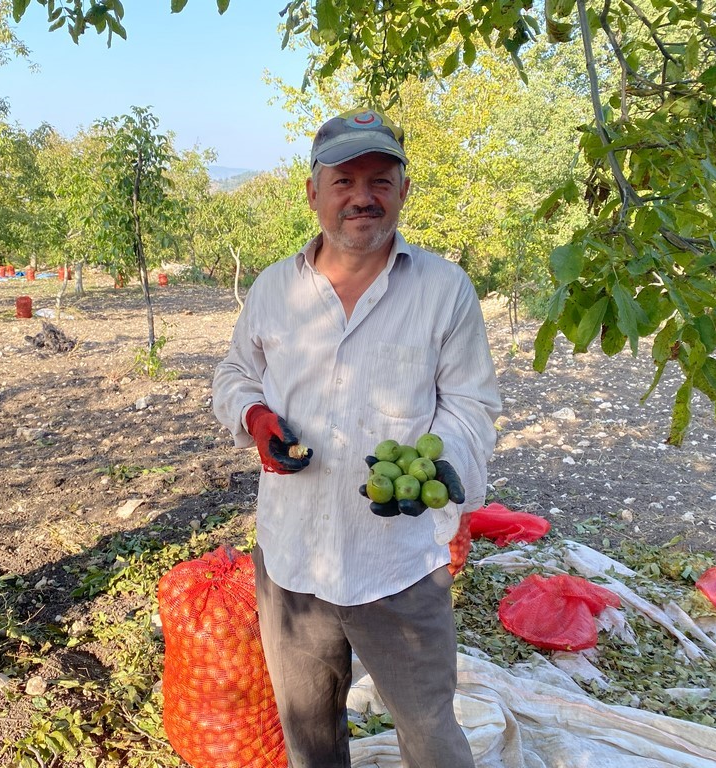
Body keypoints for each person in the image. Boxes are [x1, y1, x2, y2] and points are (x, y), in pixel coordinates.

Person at [211, 107, 501, 768]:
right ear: (313, 193)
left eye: (380, 180)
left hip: (396, 562)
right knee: (310, 733)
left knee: (428, 729)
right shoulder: (274, 290)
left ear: (403, 191)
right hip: (291, 562)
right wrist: (255, 419)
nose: (362, 197)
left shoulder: (444, 290)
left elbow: (469, 405)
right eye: (344, 181)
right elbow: (234, 374)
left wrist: (446, 466)